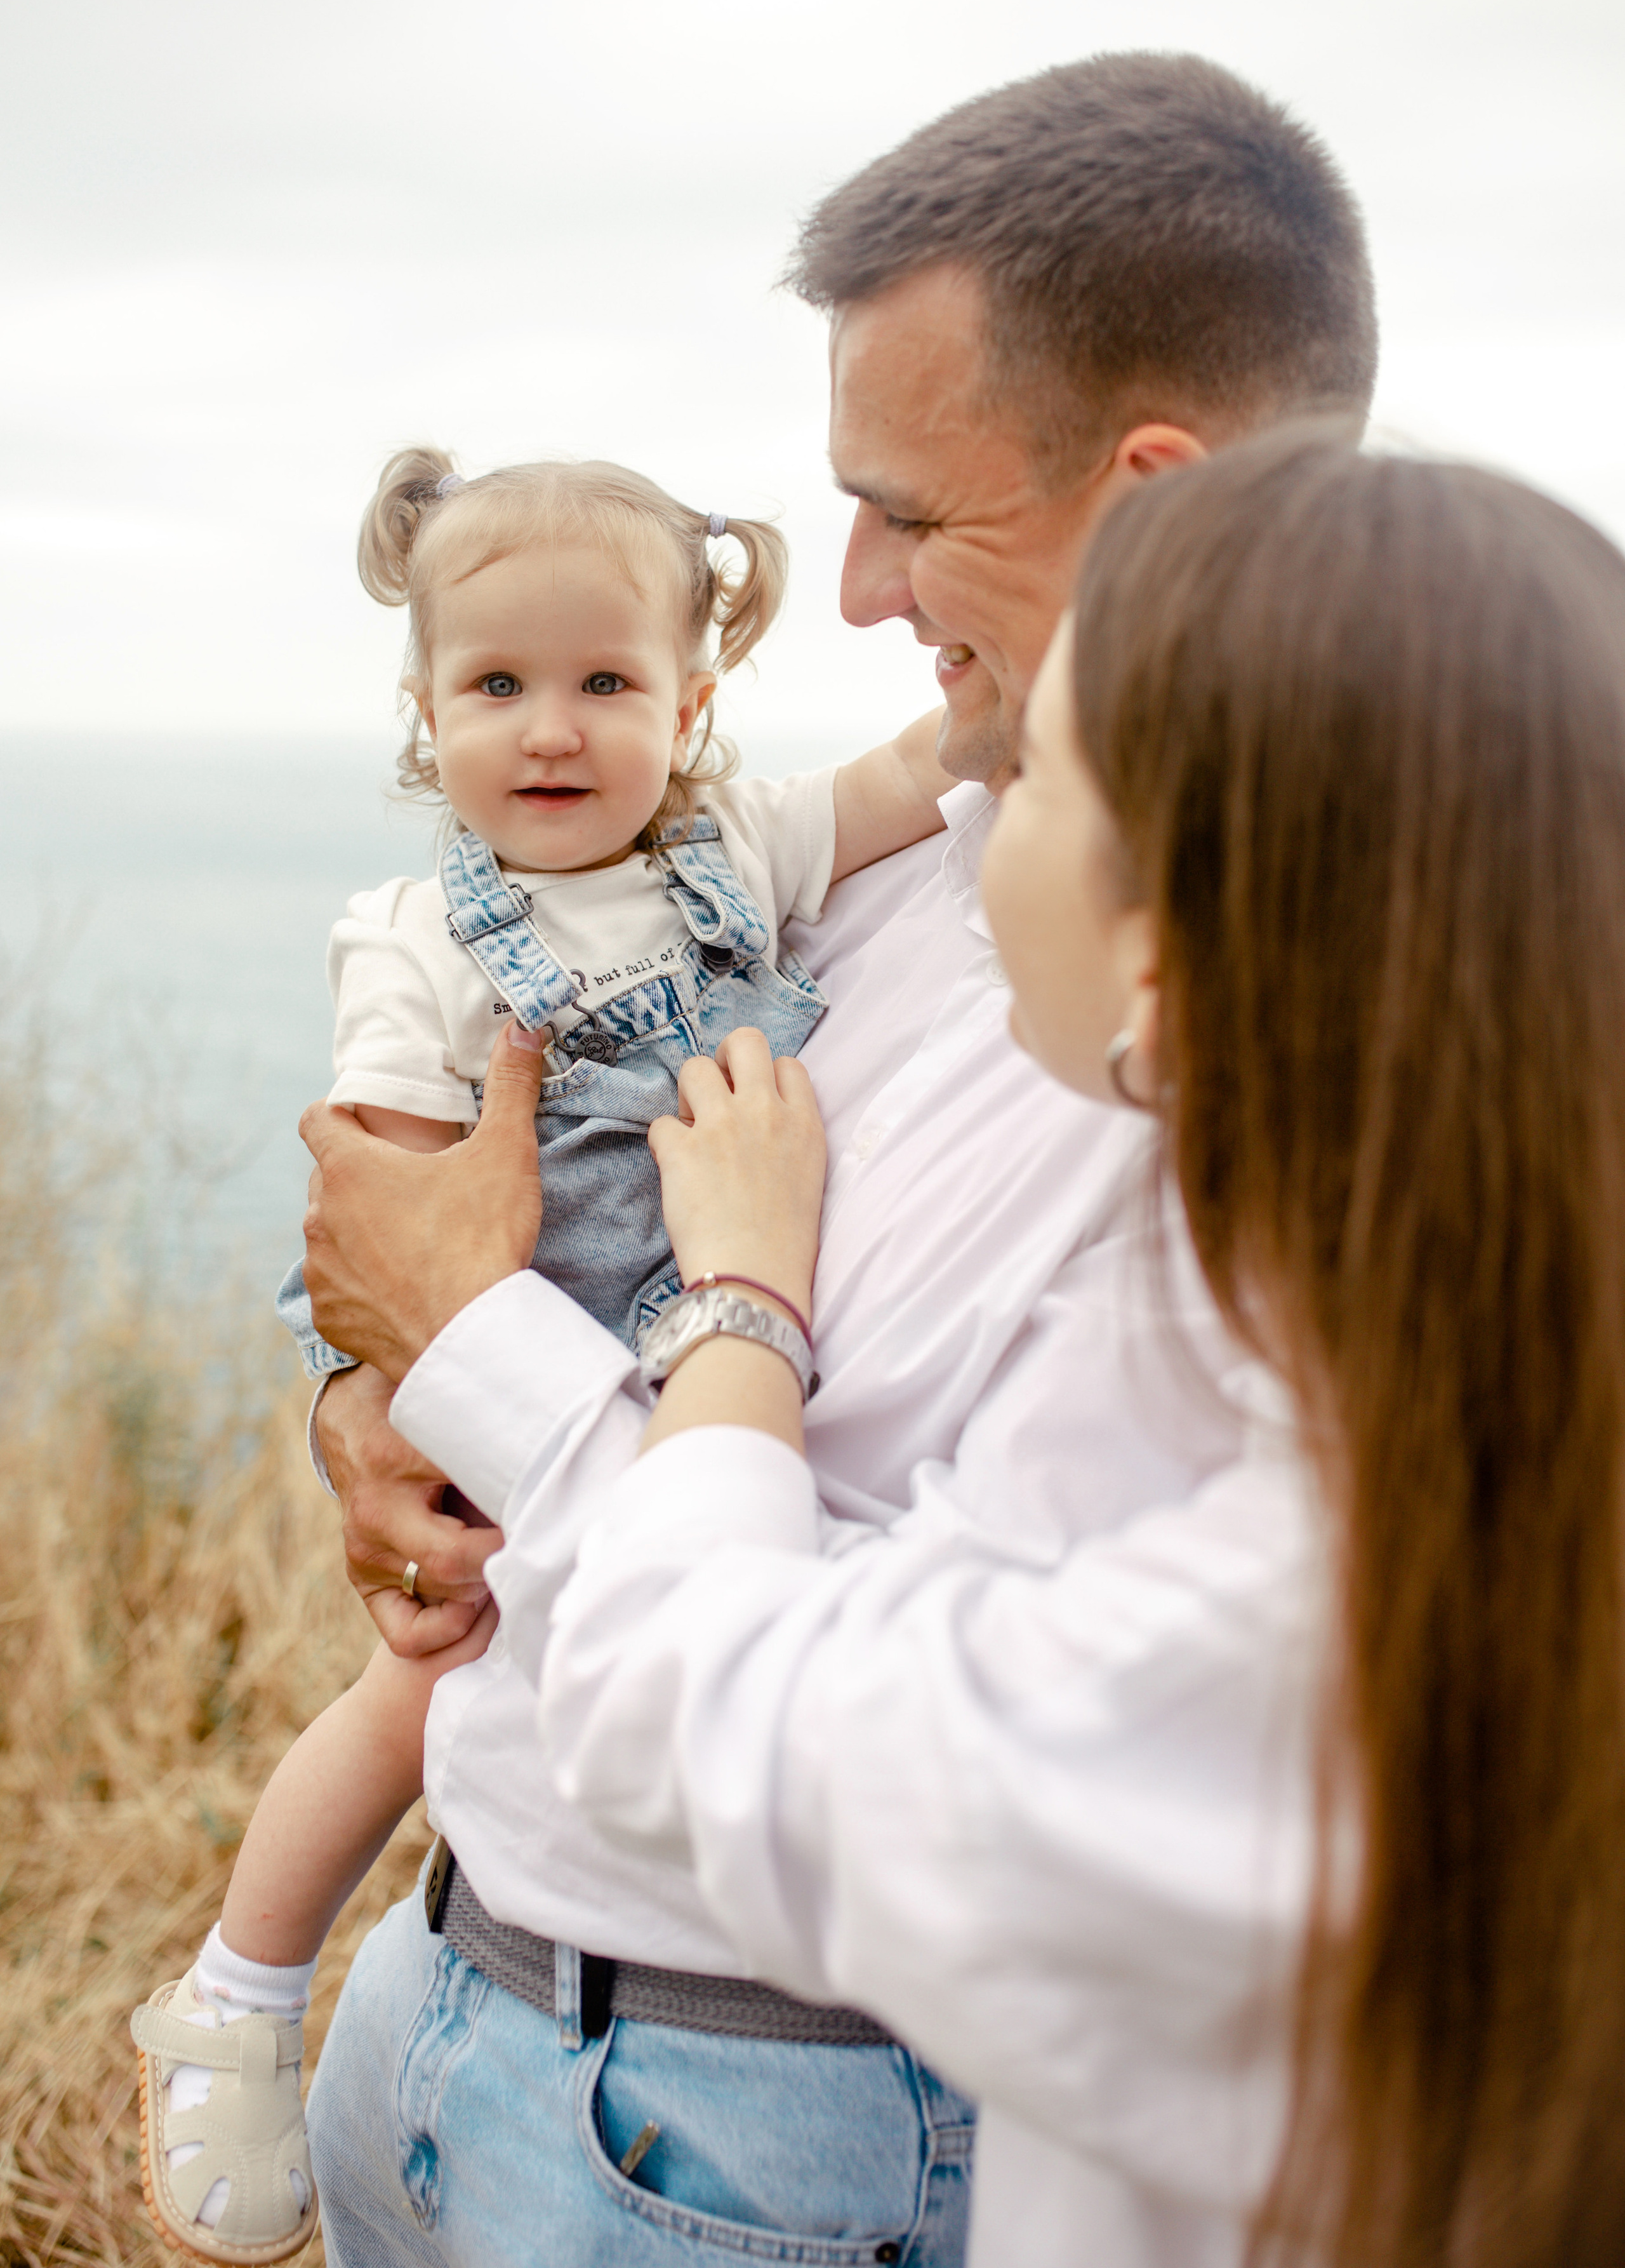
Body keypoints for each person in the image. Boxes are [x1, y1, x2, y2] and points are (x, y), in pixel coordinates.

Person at [293, 56, 1379, 2266]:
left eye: (905, 507)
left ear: (1153, 496)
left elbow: (887, 1735)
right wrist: (379, 1406)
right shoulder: (902, 858)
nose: (858, 587)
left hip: (748, 2132)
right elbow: (497, 1249)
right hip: (457, 1983)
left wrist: (484, 1340)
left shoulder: (1250, 1075)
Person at [468, 434, 1625, 2267]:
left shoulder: (1272, 1648)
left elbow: (692, 1701)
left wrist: (730, 1307)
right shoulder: (1317, 1353)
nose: (977, 807)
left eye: (1042, 773)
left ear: (1169, 957)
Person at [128, 452, 953, 2264]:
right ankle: (238, 1994)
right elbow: (379, 1199)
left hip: (676, 1388)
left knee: (592, 1671)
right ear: (425, 715)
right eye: (497, 688)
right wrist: (392, 1398)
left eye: (608, 685)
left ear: (695, 703)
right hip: (518, 1340)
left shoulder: (741, 852)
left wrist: (1035, 722)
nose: (554, 731)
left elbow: (914, 775)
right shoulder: (421, 937)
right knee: (418, 1688)